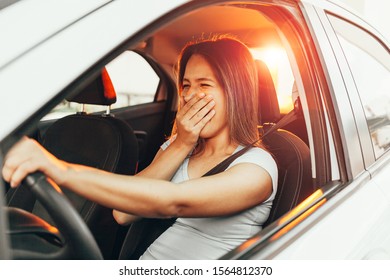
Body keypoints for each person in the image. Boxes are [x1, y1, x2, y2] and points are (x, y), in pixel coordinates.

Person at [2, 35, 278, 260]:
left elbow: (172, 201)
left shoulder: (256, 170)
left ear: (236, 92)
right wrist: (181, 143)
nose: (190, 95)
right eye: (185, 85)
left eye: (204, 85)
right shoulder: (179, 146)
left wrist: (57, 169)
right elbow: (124, 214)